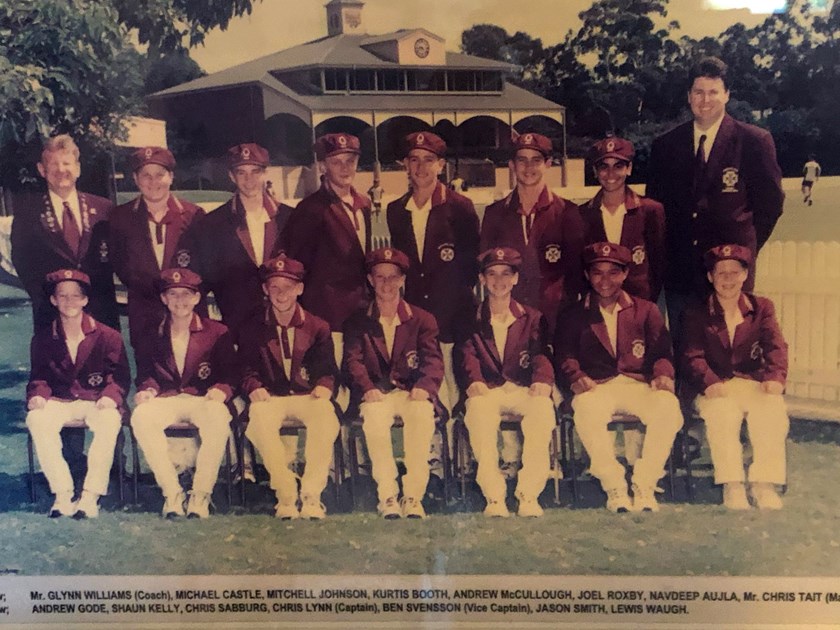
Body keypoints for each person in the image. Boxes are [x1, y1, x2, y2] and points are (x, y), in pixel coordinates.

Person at [646, 56, 785, 341]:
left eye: (713, 92)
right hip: (681, 274)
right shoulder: (665, 146)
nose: (705, 100)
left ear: (727, 95)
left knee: (728, 354)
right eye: (698, 92)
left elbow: (770, 205)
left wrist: (744, 250)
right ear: (688, 96)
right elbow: (655, 211)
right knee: (686, 357)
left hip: (729, 273)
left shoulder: (754, 141)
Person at [554, 243, 683, 512]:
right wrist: (576, 376)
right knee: (587, 410)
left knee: (668, 408)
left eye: (613, 273)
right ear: (588, 276)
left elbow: (662, 352)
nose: (605, 281)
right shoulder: (574, 313)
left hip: (637, 383)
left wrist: (662, 375)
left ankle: (645, 483)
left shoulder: (645, 310)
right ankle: (613, 485)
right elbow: (565, 355)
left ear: (625, 274)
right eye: (597, 273)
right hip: (597, 386)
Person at [682, 244, 789, 510]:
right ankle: (733, 485)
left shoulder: (761, 307)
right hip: (712, 386)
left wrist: (775, 377)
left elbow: (776, 346)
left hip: (750, 381)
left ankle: (764, 484)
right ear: (710, 277)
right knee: (723, 415)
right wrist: (709, 382)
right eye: (721, 273)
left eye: (734, 272)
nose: (728, 279)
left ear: (744, 275)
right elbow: (690, 355)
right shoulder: (695, 312)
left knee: (772, 410)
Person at [342, 247, 444, 519]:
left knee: (422, 415)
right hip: (376, 394)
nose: (386, 284)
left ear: (402, 280)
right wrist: (367, 388)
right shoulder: (357, 320)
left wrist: (425, 386)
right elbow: (353, 362)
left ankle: (413, 496)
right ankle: (387, 495)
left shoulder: (422, 319)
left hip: (411, 393)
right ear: (370, 280)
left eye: (392, 277)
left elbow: (433, 361)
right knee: (375, 420)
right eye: (379, 277)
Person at [456, 247, 555, 518]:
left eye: (505, 274)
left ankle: (529, 494)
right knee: (477, 412)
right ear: (482, 279)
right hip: (489, 389)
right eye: (491, 274)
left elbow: (541, 355)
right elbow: (465, 355)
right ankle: (494, 495)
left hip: (521, 388)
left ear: (515, 279)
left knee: (543, 410)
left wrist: (543, 380)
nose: (498, 281)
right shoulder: (470, 317)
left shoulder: (532, 317)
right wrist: (473, 381)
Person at [239, 254, 340, 520]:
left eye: (288, 287)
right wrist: (253, 387)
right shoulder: (253, 327)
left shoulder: (318, 326)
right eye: (274, 287)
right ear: (265, 289)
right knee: (258, 417)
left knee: (325, 415)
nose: (281, 294)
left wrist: (324, 387)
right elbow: (246, 369)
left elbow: (328, 370)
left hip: (305, 395)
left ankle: (311, 494)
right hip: (272, 397)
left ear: (300, 289)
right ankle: (284, 490)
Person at [131, 268, 237, 519]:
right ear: (164, 299)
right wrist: (147, 390)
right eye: (173, 294)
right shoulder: (151, 333)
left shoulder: (216, 331)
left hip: (202, 397)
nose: (180, 301)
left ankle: (201, 494)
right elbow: (146, 373)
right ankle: (172, 492)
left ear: (197, 298)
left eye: (186, 295)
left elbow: (231, 374)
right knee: (141, 416)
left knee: (218, 417)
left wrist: (222, 390)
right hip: (168, 397)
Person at [386, 131, 479, 413]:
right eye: (414, 160)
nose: (421, 167)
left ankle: (458, 454)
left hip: (454, 314)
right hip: (416, 317)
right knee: (422, 385)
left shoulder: (460, 207)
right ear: (405, 164)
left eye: (429, 160)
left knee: (454, 382)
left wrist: (452, 304)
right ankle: (434, 453)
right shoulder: (396, 210)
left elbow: (471, 265)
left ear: (441, 165)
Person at [25, 269, 130, 519]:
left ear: (85, 300)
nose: (69, 302)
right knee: (37, 419)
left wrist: (110, 395)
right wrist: (38, 395)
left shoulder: (108, 336)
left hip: (94, 399)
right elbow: (38, 377)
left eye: (75, 296)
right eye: (62, 296)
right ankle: (62, 493)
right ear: (53, 300)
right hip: (61, 400)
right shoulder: (43, 338)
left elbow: (120, 377)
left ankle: (90, 495)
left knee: (109, 420)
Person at [480, 132, 584, 339]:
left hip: (556, 320)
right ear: (511, 164)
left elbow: (577, 274)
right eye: (522, 160)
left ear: (548, 164)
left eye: (536, 161)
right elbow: (486, 267)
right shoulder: (495, 213)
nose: (529, 168)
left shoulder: (567, 212)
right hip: (510, 321)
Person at [279, 133, 372, 365]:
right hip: (328, 316)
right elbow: (298, 265)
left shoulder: (364, 203)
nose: (345, 168)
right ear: (322, 166)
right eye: (336, 162)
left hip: (361, 313)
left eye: (350, 161)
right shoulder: (309, 210)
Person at [11, 134, 119, 331]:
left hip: (102, 318)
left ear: (77, 168)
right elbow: (22, 262)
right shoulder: (28, 214)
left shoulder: (105, 210)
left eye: (67, 163)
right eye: (53, 164)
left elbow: (119, 258)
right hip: (52, 320)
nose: (61, 170)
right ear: (42, 170)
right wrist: (52, 301)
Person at [191, 143, 292, 342]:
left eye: (255, 172)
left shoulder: (289, 218)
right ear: (231, 176)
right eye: (241, 173)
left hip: (284, 328)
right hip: (237, 329)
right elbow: (202, 283)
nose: (249, 180)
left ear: (265, 173)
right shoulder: (213, 223)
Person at [110, 146, 205, 351]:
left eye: (160, 175)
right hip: (144, 315)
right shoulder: (121, 218)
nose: (153, 182)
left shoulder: (194, 216)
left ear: (171, 177)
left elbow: (204, 266)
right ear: (136, 178)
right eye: (146, 175)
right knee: (148, 379)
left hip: (186, 314)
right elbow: (120, 264)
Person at [580, 137, 665, 304]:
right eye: (604, 166)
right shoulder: (583, 214)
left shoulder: (650, 210)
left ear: (629, 169)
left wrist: (649, 301)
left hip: (640, 302)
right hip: (599, 305)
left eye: (618, 166)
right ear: (595, 171)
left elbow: (658, 263)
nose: (611, 174)